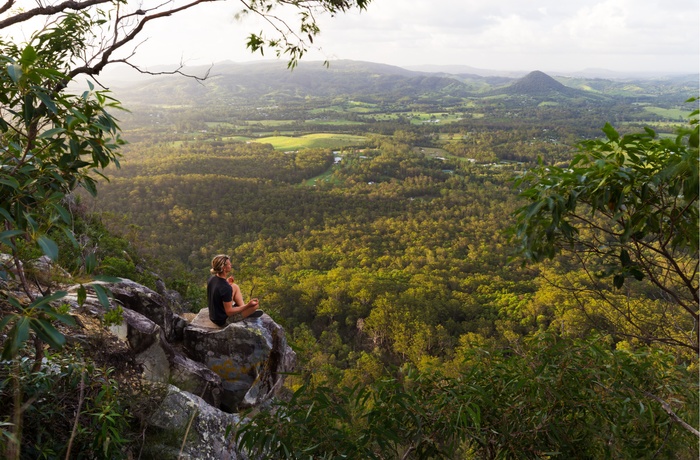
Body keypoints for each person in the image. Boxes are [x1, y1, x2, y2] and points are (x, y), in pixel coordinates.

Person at [207, 254, 262, 327]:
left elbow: (219, 290)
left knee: (235, 286)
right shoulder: (226, 287)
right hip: (222, 321)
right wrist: (247, 306)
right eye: (229, 264)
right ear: (224, 268)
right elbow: (229, 312)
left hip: (214, 316)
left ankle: (242, 308)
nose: (231, 265)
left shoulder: (212, 279)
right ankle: (245, 311)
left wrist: (227, 283)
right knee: (255, 306)